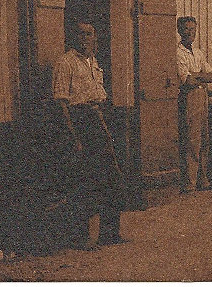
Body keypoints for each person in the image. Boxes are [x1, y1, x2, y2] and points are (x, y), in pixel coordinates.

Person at [52, 21, 124, 250]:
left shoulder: (93, 61)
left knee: (110, 178)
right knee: (83, 182)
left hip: (100, 118)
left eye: (89, 34)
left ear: (95, 37)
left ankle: (109, 234)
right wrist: (74, 137)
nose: (85, 38)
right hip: (80, 121)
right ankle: (79, 238)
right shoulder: (65, 63)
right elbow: (61, 102)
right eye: (81, 34)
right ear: (73, 37)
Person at [176, 16, 212, 193]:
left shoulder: (198, 53)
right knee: (192, 140)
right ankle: (190, 182)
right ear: (179, 31)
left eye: (193, 29)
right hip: (190, 98)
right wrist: (200, 77)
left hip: (203, 96)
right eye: (186, 29)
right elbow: (187, 80)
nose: (190, 33)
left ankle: (203, 178)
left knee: (204, 139)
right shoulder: (178, 53)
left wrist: (197, 76)